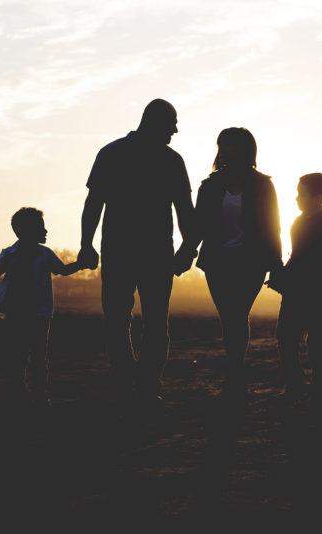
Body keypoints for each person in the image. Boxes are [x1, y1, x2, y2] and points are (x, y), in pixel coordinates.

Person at [77, 98, 196, 416]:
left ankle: (139, 387)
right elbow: (94, 203)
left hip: (144, 253)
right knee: (136, 322)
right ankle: (135, 387)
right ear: (155, 121)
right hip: (131, 253)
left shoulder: (121, 153)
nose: (176, 129)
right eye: (172, 122)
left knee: (136, 322)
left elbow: (185, 210)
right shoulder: (117, 154)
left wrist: (188, 248)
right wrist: (86, 244)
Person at [175, 127, 282, 409]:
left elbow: (273, 227)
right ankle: (236, 376)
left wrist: (277, 265)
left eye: (230, 146)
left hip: (251, 262)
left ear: (245, 150)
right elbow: (198, 225)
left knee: (236, 315)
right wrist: (185, 253)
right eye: (221, 145)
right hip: (218, 262)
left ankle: (235, 378)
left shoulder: (262, 185)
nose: (224, 151)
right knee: (230, 318)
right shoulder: (210, 186)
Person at [0, 207, 82, 408]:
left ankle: (38, 396)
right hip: (16, 312)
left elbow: (62, 270)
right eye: (41, 228)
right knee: (20, 354)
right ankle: (21, 393)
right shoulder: (9, 255)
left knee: (38, 355)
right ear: (26, 232)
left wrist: (81, 264)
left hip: (39, 313)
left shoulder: (45, 255)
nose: (46, 231)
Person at [266, 172, 322, 409]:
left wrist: (290, 275)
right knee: (286, 338)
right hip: (297, 293)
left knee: (316, 344)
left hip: (318, 295)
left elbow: (317, 262)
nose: (296, 198)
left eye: (302, 194)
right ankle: (297, 386)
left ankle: (318, 392)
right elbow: (299, 256)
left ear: (319, 197)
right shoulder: (298, 222)